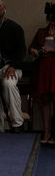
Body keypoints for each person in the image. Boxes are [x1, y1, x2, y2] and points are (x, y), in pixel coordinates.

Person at [0, 0, 27, 132]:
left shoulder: (14, 27)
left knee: (8, 84)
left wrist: (13, 65)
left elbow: (21, 50)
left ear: (4, 8)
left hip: (11, 67)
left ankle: (17, 123)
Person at [29, 13, 55, 143]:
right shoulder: (41, 31)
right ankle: (46, 131)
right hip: (43, 67)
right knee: (45, 100)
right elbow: (31, 47)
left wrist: (51, 51)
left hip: (54, 67)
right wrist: (33, 51)